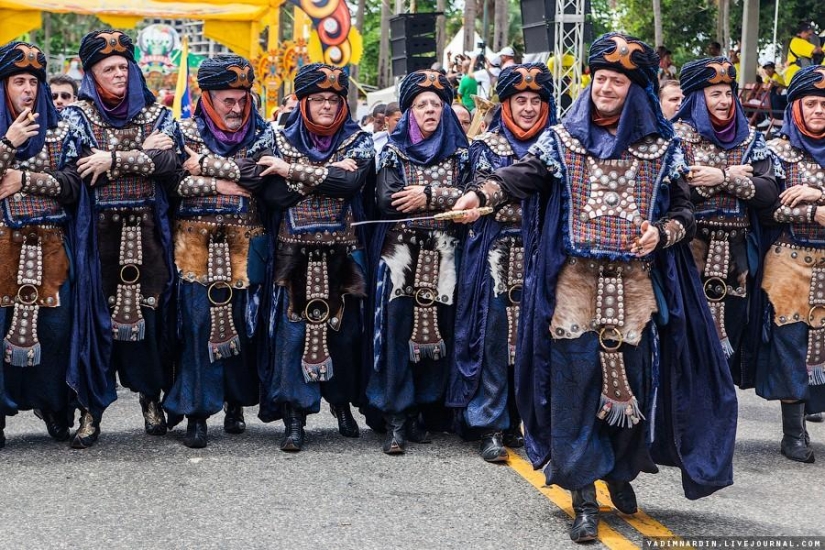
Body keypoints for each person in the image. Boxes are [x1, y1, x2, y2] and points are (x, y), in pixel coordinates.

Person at [452, 33, 737, 542]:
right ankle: (583, 496)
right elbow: (520, 175)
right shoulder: (562, 139)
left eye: (617, 81)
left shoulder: (662, 147)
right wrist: (480, 193)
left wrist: (662, 232)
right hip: (574, 287)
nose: (606, 87)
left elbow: (685, 213)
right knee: (575, 390)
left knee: (633, 389)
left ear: (634, 89)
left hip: (637, 290)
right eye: (600, 78)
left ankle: (620, 473)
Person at [62, 30, 180, 448]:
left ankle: (151, 400)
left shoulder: (156, 113)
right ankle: (90, 413)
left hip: (148, 234)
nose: (118, 75)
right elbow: (76, 173)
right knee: (95, 324)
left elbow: (171, 162)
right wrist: (143, 156)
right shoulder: (76, 117)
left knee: (148, 321)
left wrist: (112, 159)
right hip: (96, 238)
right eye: (108, 69)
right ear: (91, 74)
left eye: (123, 68)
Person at [257, 63, 374, 452]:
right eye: (318, 99)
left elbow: (352, 182)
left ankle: (341, 405)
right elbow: (273, 196)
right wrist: (327, 175)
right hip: (293, 253)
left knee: (345, 334)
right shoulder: (276, 138)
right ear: (303, 102)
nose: (326, 106)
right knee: (292, 335)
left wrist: (294, 173)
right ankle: (295, 417)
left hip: (344, 251)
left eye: (333, 99)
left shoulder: (358, 138)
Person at [161, 55, 272, 448]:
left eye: (243, 99)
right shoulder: (182, 130)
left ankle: (236, 402)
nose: (237, 108)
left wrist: (205, 168)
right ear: (206, 97)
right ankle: (196, 412)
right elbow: (171, 180)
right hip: (193, 242)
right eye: (228, 100)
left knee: (244, 324)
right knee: (196, 326)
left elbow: (260, 177)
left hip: (248, 241)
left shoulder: (264, 132)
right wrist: (221, 185)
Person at [447, 63, 555, 463]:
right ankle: (489, 423)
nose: (527, 108)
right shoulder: (485, 145)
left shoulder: (559, 146)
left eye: (535, 101)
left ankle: (523, 420)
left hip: (543, 254)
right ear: (505, 104)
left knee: (535, 339)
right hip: (495, 250)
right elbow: (480, 191)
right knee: (493, 339)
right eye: (519, 100)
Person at [366, 69, 471, 455]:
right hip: (400, 255)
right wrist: (449, 196)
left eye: (436, 105)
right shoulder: (391, 151)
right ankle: (395, 415)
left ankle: (422, 411)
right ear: (409, 112)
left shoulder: (462, 153)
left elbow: (471, 192)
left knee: (437, 335)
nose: (430, 110)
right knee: (397, 334)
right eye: (421, 105)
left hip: (445, 255)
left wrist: (428, 195)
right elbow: (389, 200)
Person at [672, 57, 779, 388]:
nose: (723, 101)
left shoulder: (749, 140)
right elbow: (673, 193)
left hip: (736, 258)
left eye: (728, 92)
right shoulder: (675, 138)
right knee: (685, 340)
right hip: (686, 252)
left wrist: (721, 177)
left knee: (730, 336)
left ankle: (718, 427)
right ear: (696, 98)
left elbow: (768, 192)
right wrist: (723, 181)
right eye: (714, 93)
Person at [0, 42, 82, 449]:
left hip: (50, 244)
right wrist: (8, 143)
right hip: (1, 244)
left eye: (34, 81)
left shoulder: (62, 127)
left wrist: (24, 181)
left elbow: (73, 183)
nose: (28, 90)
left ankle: (53, 406)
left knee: (54, 330)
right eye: (19, 81)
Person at [757, 65, 825, 462]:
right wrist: (812, 214)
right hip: (788, 260)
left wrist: (815, 193)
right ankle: (792, 432)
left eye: (824, 104)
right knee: (790, 342)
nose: (819, 111)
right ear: (796, 107)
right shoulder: (775, 150)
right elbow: (766, 209)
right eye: (811, 103)